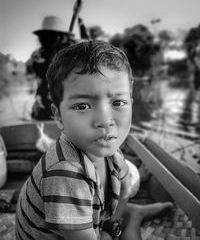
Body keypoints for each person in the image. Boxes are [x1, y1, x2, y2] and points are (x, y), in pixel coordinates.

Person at [16, 40, 173, 240]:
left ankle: (129, 213)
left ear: (131, 105)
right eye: (82, 106)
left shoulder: (111, 151)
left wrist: (113, 222)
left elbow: (125, 186)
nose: (105, 121)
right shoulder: (65, 173)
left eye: (118, 102)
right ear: (59, 117)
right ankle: (134, 217)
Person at [26, 15, 75, 120]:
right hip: (62, 105)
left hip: (42, 105)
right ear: (62, 37)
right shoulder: (68, 54)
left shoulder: (37, 54)